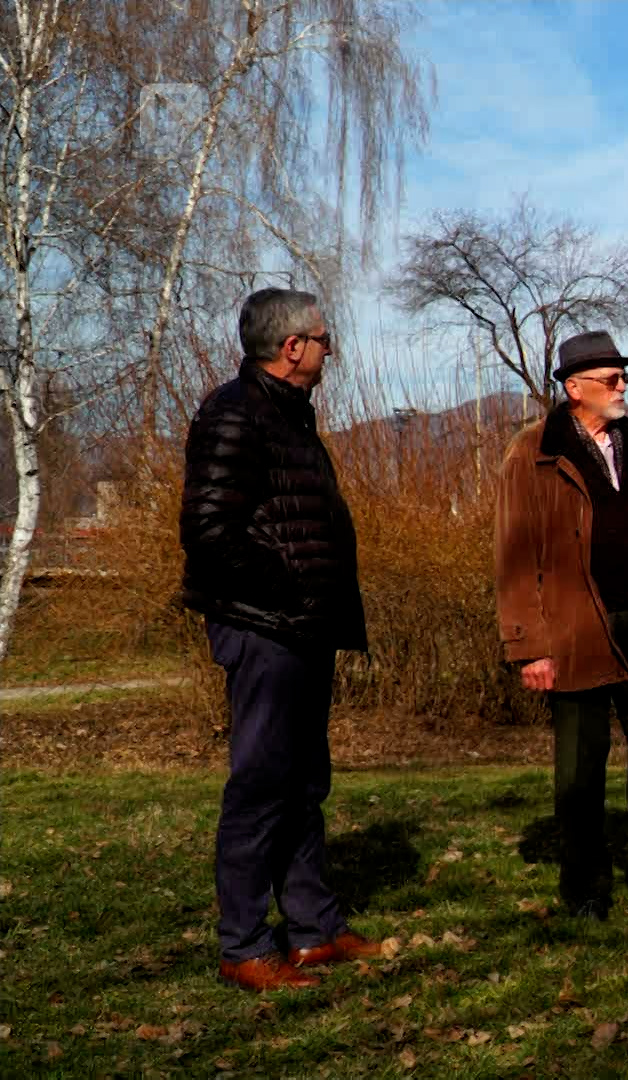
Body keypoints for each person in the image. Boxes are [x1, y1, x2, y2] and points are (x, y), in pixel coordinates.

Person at [180, 288, 382, 992]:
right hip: (263, 629)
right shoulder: (234, 413)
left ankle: (313, 931)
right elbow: (209, 534)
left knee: (303, 784)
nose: (331, 350)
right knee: (262, 784)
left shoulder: (291, 417)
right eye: (325, 339)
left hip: (302, 629)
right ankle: (243, 945)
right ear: (291, 347)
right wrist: (290, 583)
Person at [494, 330, 628, 923]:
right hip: (574, 631)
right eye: (611, 379)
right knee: (580, 770)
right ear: (573, 387)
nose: (623, 387)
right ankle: (586, 892)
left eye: (625, 377)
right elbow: (512, 558)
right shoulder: (532, 453)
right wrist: (529, 646)